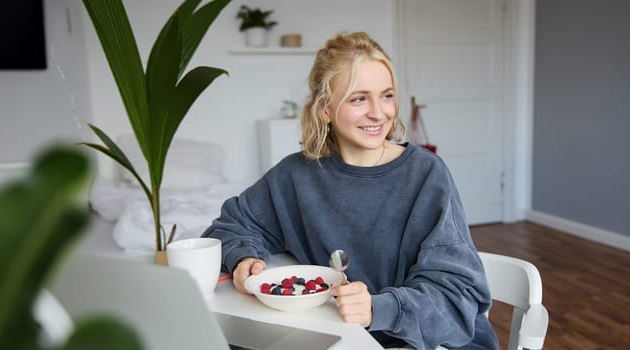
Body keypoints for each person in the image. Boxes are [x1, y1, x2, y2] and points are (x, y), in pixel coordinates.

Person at [202, 32, 499, 350]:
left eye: (386, 95)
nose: (378, 112)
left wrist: (377, 309)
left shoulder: (426, 175)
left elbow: (457, 295)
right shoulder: (296, 175)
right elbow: (231, 225)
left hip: (430, 342)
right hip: (341, 337)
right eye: (359, 98)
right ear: (325, 109)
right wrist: (243, 257)